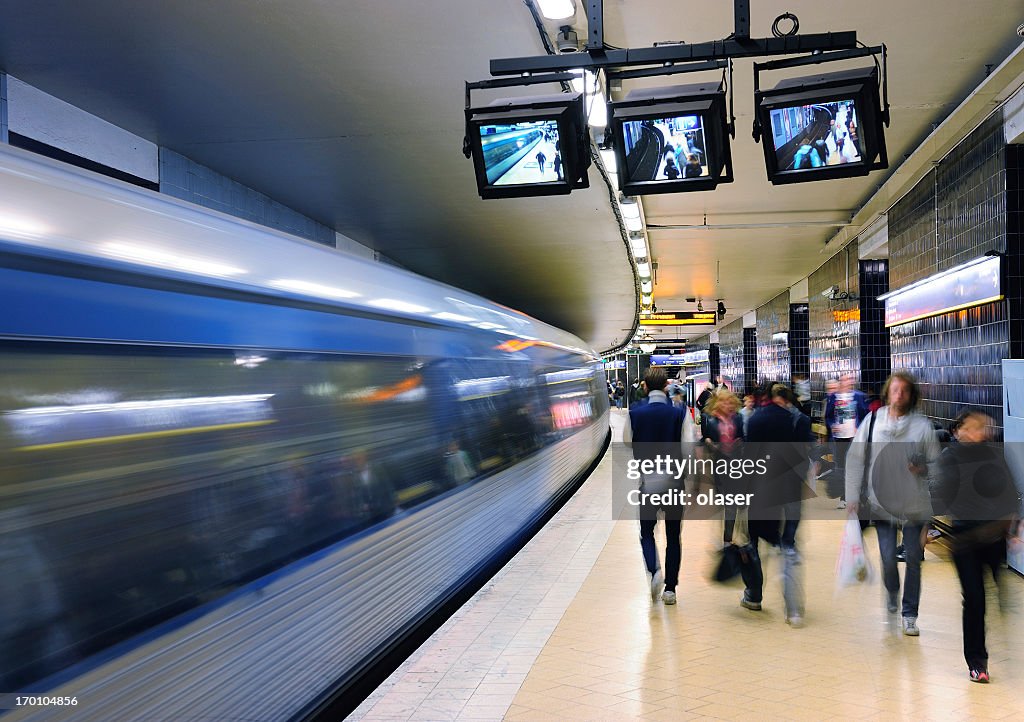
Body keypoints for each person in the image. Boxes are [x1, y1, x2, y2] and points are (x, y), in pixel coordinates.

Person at [845, 371, 940, 637]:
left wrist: (923, 470)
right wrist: (852, 496)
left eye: (904, 390)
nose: (899, 394)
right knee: (888, 558)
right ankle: (892, 593)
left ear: (911, 395)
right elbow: (855, 459)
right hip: (881, 503)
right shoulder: (873, 421)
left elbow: (937, 465)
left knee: (913, 560)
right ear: (888, 391)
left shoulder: (922, 427)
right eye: (895, 389)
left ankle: (910, 614)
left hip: (914, 506)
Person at [933, 409, 1022, 682]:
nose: (975, 432)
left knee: (995, 590)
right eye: (969, 428)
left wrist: (1014, 529)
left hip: (994, 537)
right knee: (974, 599)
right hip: (965, 540)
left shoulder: (995, 456)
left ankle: (999, 607)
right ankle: (977, 661)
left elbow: (1011, 493)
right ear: (959, 430)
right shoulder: (949, 457)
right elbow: (941, 496)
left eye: (981, 428)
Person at [741, 383, 814, 627]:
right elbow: (806, 458)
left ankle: (754, 595)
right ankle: (792, 609)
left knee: (755, 543)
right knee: (788, 547)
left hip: (762, 492)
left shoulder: (756, 420)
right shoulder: (800, 421)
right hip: (791, 491)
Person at [623, 368, 688, 605]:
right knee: (673, 536)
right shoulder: (679, 413)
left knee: (647, 532)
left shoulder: (635, 413)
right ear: (666, 386)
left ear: (645, 387)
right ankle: (670, 589)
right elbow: (688, 447)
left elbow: (627, 442)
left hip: (647, 484)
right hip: (675, 484)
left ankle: (654, 570)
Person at [701, 388, 745, 545]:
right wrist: (710, 445)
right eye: (724, 402)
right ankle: (729, 534)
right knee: (726, 501)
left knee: (731, 504)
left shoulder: (738, 419)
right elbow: (706, 442)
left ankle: (728, 538)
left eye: (729, 402)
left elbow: (744, 438)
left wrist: (741, 444)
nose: (727, 405)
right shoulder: (711, 421)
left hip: (737, 465)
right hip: (720, 465)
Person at [825, 373, 869, 508]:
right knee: (842, 466)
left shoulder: (858, 397)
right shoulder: (834, 397)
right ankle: (844, 497)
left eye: (850, 379)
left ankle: (857, 496)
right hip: (839, 438)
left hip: (855, 437)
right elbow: (829, 416)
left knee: (855, 465)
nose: (847, 382)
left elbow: (865, 415)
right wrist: (833, 425)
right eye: (844, 380)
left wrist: (859, 428)